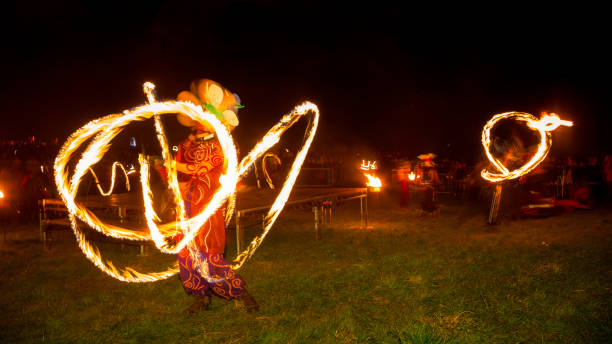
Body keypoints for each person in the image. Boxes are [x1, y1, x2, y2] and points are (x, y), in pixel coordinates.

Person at [172, 79, 258, 313]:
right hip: (187, 207)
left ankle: (239, 292)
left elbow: (199, 168)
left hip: (208, 207)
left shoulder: (225, 144)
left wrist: (170, 165)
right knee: (187, 254)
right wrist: (171, 169)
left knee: (209, 254)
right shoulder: (185, 145)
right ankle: (201, 296)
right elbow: (180, 171)